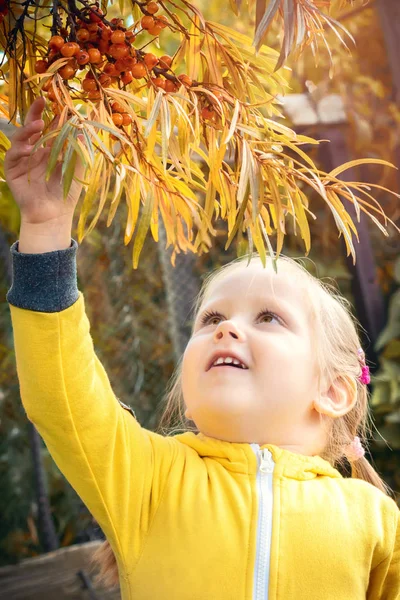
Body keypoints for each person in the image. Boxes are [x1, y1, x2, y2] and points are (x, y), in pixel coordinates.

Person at [4, 96, 399, 600]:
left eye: (269, 318)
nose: (227, 329)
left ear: (334, 392)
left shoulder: (375, 522)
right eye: (212, 317)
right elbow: (61, 396)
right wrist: (44, 227)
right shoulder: (146, 478)